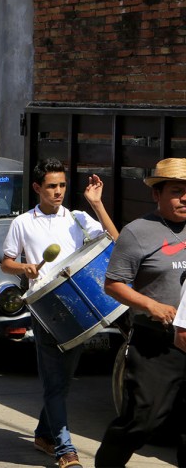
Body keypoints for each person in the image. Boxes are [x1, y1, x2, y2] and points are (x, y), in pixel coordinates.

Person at [1, 158, 118, 468]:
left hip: (77, 308)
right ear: (38, 187)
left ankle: (44, 433)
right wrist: (23, 267)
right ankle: (65, 449)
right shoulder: (22, 223)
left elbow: (116, 241)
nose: (58, 192)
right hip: (46, 309)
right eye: (51, 186)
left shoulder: (78, 219)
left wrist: (97, 204)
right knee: (55, 382)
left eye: (62, 185)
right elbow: (6, 262)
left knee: (62, 382)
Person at [95, 158, 186, 467]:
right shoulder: (139, 232)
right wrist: (151, 305)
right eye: (176, 191)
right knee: (144, 420)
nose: (184, 198)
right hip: (156, 344)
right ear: (156, 194)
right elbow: (113, 284)